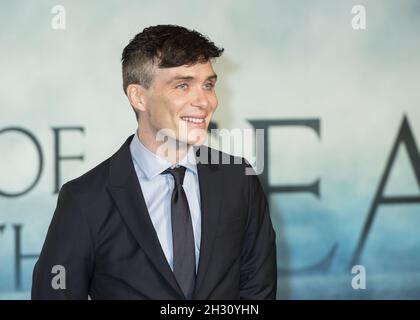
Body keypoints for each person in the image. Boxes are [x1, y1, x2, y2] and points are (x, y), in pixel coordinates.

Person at [32, 25, 277, 300]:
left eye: (208, 84)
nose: (205, 101)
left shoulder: (238, 180)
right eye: (182, 85)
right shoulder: (85, 198)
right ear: (138, 97)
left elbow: (259, 291)